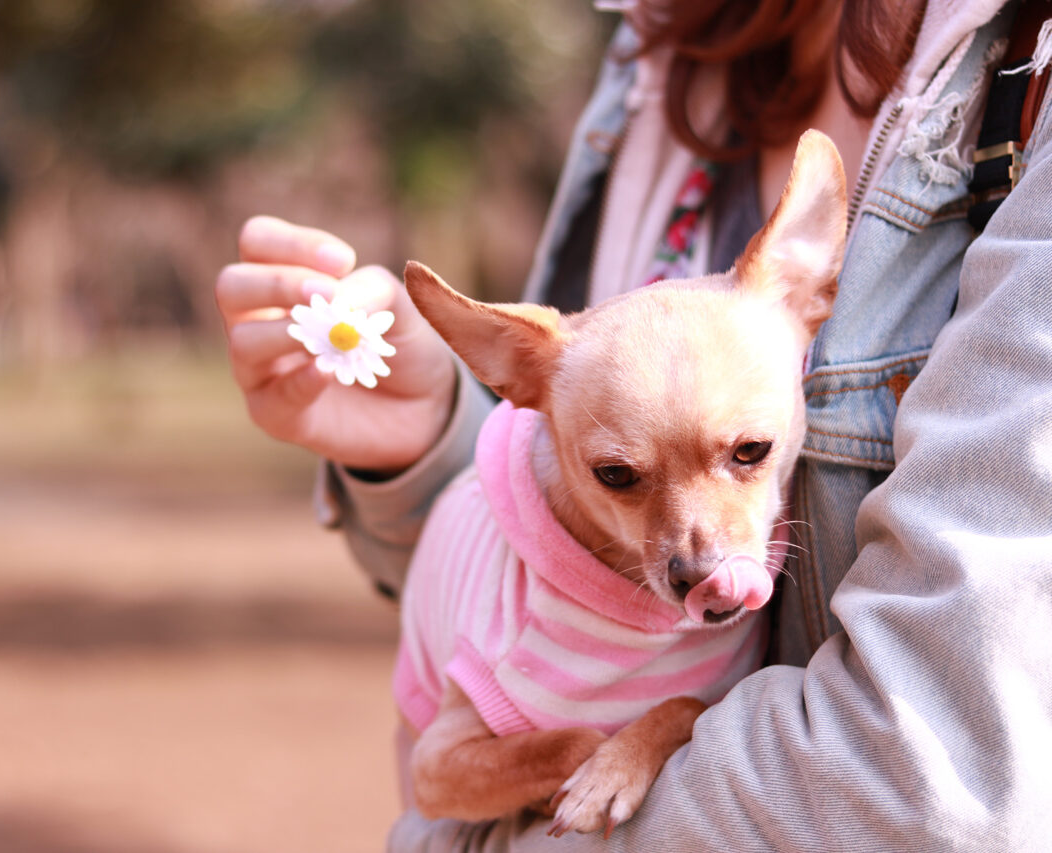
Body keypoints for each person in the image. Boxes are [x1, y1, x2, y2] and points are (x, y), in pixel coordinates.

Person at [215, 0, 1052, 848]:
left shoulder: (1024, 75)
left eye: (749, 454)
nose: (696, 549)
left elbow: (934, 785)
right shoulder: (646, 60)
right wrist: (427, 442)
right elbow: (527, 561)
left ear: (809, 284)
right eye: (625, 475)